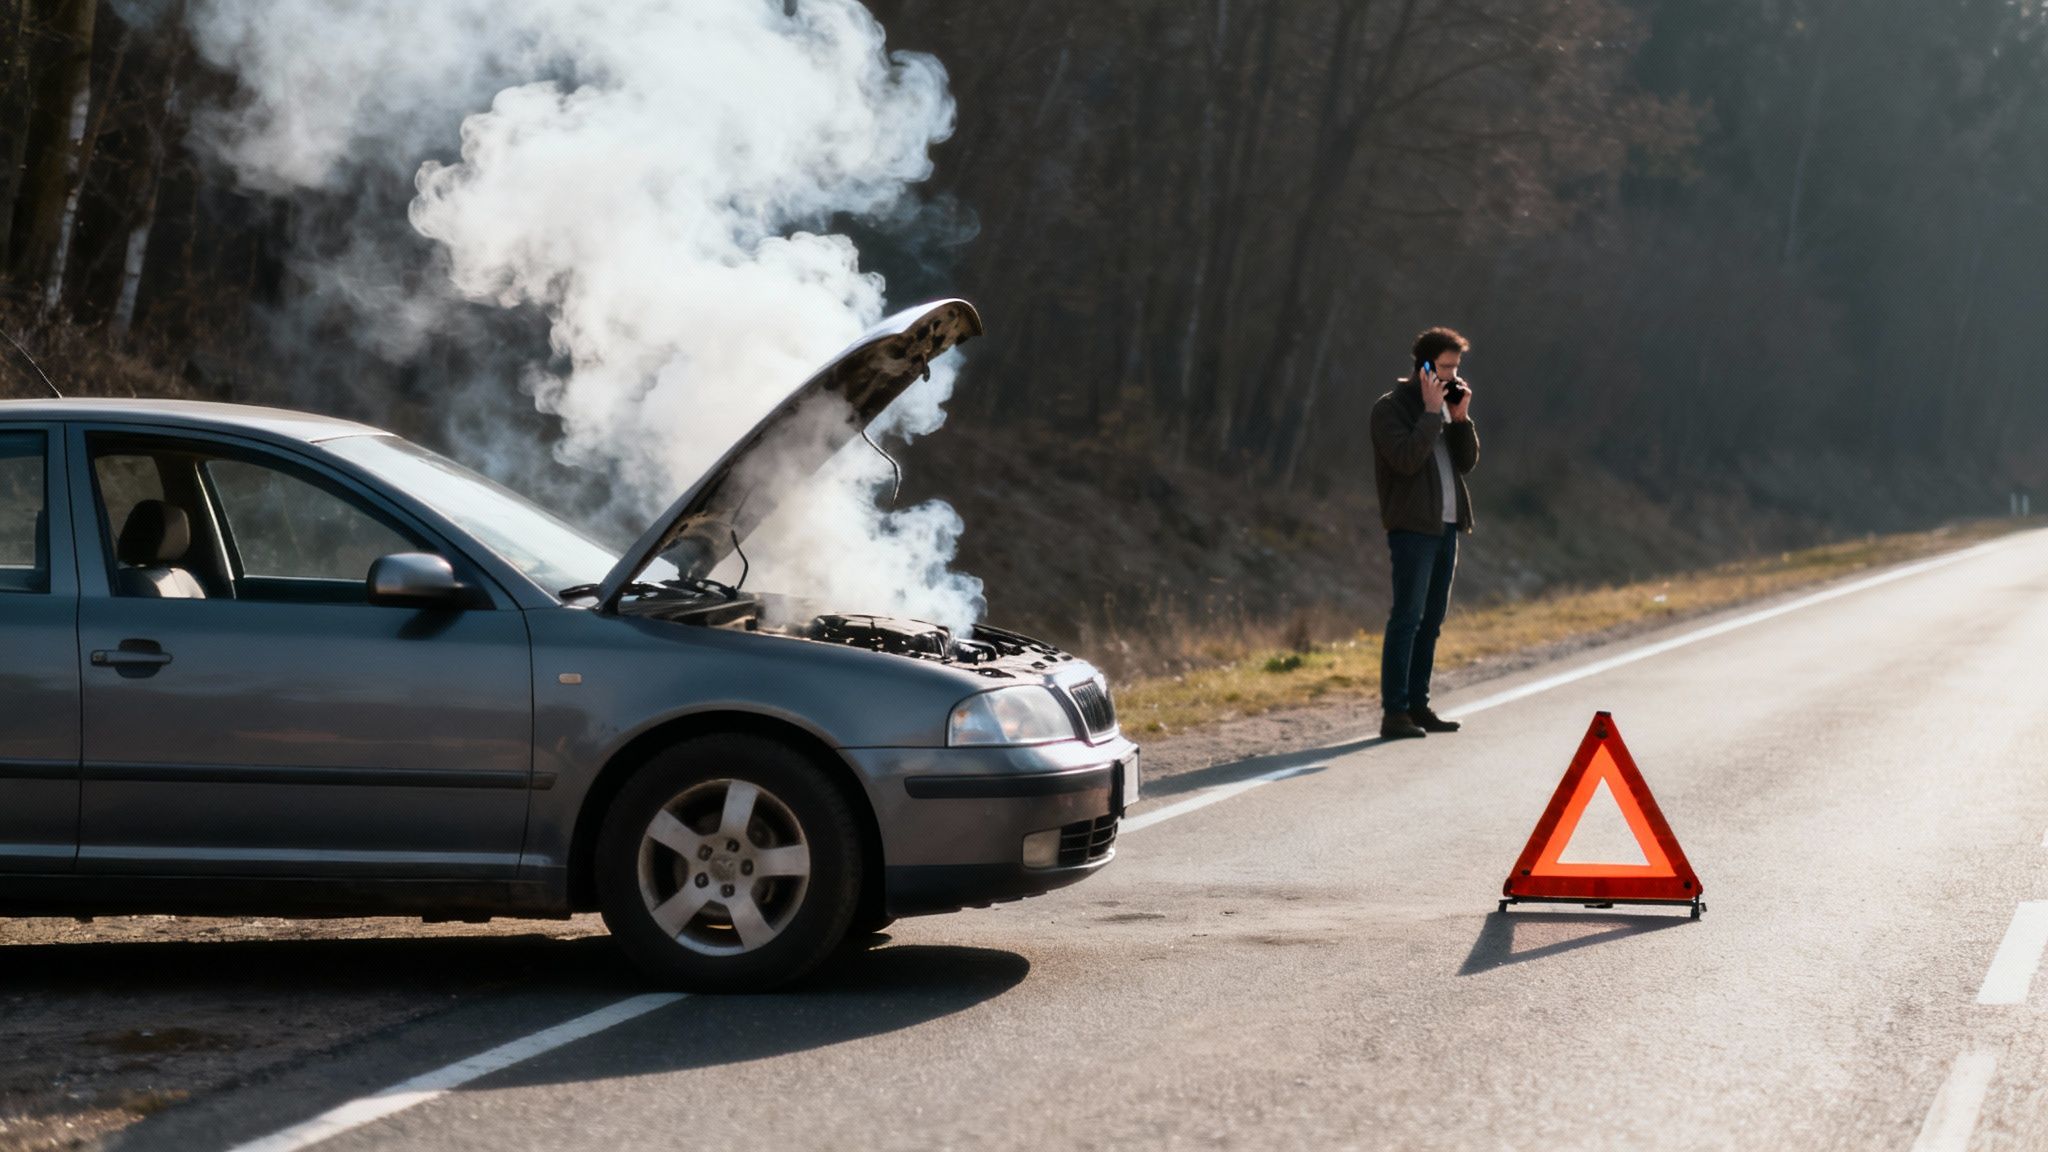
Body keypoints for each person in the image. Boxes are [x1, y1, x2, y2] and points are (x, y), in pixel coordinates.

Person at [1370, 327, 1479, 740]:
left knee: (1431, 621)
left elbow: (1465, 463)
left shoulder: (1447, 406)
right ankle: (1394, 713)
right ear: (1424, 366)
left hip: (1447, 526)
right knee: (1407, 619)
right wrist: (1431, 414)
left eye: (1456, 368)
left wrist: (1460, 418)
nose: (1452, 376)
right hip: (1413, 529)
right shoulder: (1390, 409)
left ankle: (1419, 705)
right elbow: (1404, 460)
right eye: (1446, 367)